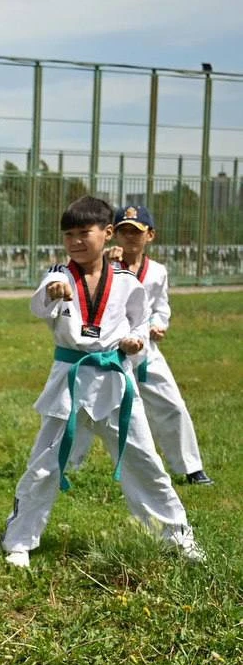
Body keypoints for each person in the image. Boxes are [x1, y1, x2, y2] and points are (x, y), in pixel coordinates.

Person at [1, 196, 205, 568]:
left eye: (84, 233)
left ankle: (176, 536)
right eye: (69, 235)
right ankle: (19, 540)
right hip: (70, 383)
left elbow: (140, 320)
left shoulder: (126, 282)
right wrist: (53, 293)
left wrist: (136, 341)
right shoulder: (58, 274)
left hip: (116, 382)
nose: (76, 241)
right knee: (45, 464)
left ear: (107, 233)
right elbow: (38, 305)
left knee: (145, 461)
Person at [102, 206, 211, 485]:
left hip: (145, 351)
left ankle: (191, 467)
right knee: (86, 408)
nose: (129, 238)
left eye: (136, 232)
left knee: (172, 405)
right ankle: (64, 465)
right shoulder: (104, 265)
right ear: (113, 234)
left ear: (150, 235)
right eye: (123, 231)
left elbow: (161, 307)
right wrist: (102, 260)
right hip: (108, 350)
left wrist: (159, 325)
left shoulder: (158, 272)